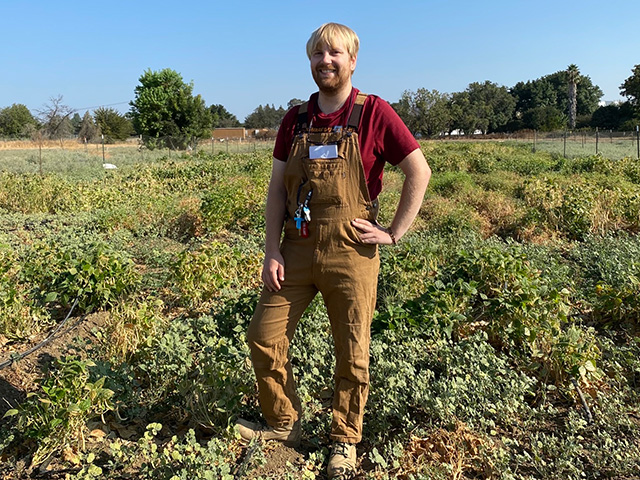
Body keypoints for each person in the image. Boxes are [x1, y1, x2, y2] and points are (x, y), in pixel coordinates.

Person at [236, 22, 431, 479]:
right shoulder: (295, 120)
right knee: (264, 336)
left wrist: (394, 232)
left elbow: (418, 171)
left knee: (352, 349)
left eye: (335, 54)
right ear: (310, 61)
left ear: (352, 60)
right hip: (297, 246)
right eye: (318, 54)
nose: (326, 61)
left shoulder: (374, 113)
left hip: (352, 249)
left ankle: (344, 440)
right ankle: (285, 423)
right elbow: (276, 192)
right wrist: (271, 250)